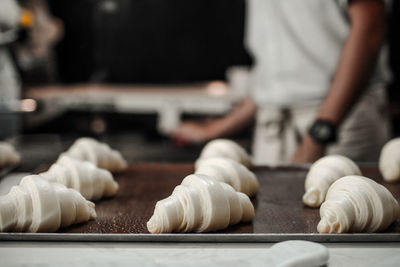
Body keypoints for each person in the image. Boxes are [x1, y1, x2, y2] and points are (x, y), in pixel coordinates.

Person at [171, 0, 392, 166]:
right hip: (272, 129)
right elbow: (275, 79)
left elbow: (370, 29)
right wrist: (216, 128)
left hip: (340, 123)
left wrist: (319, 133)